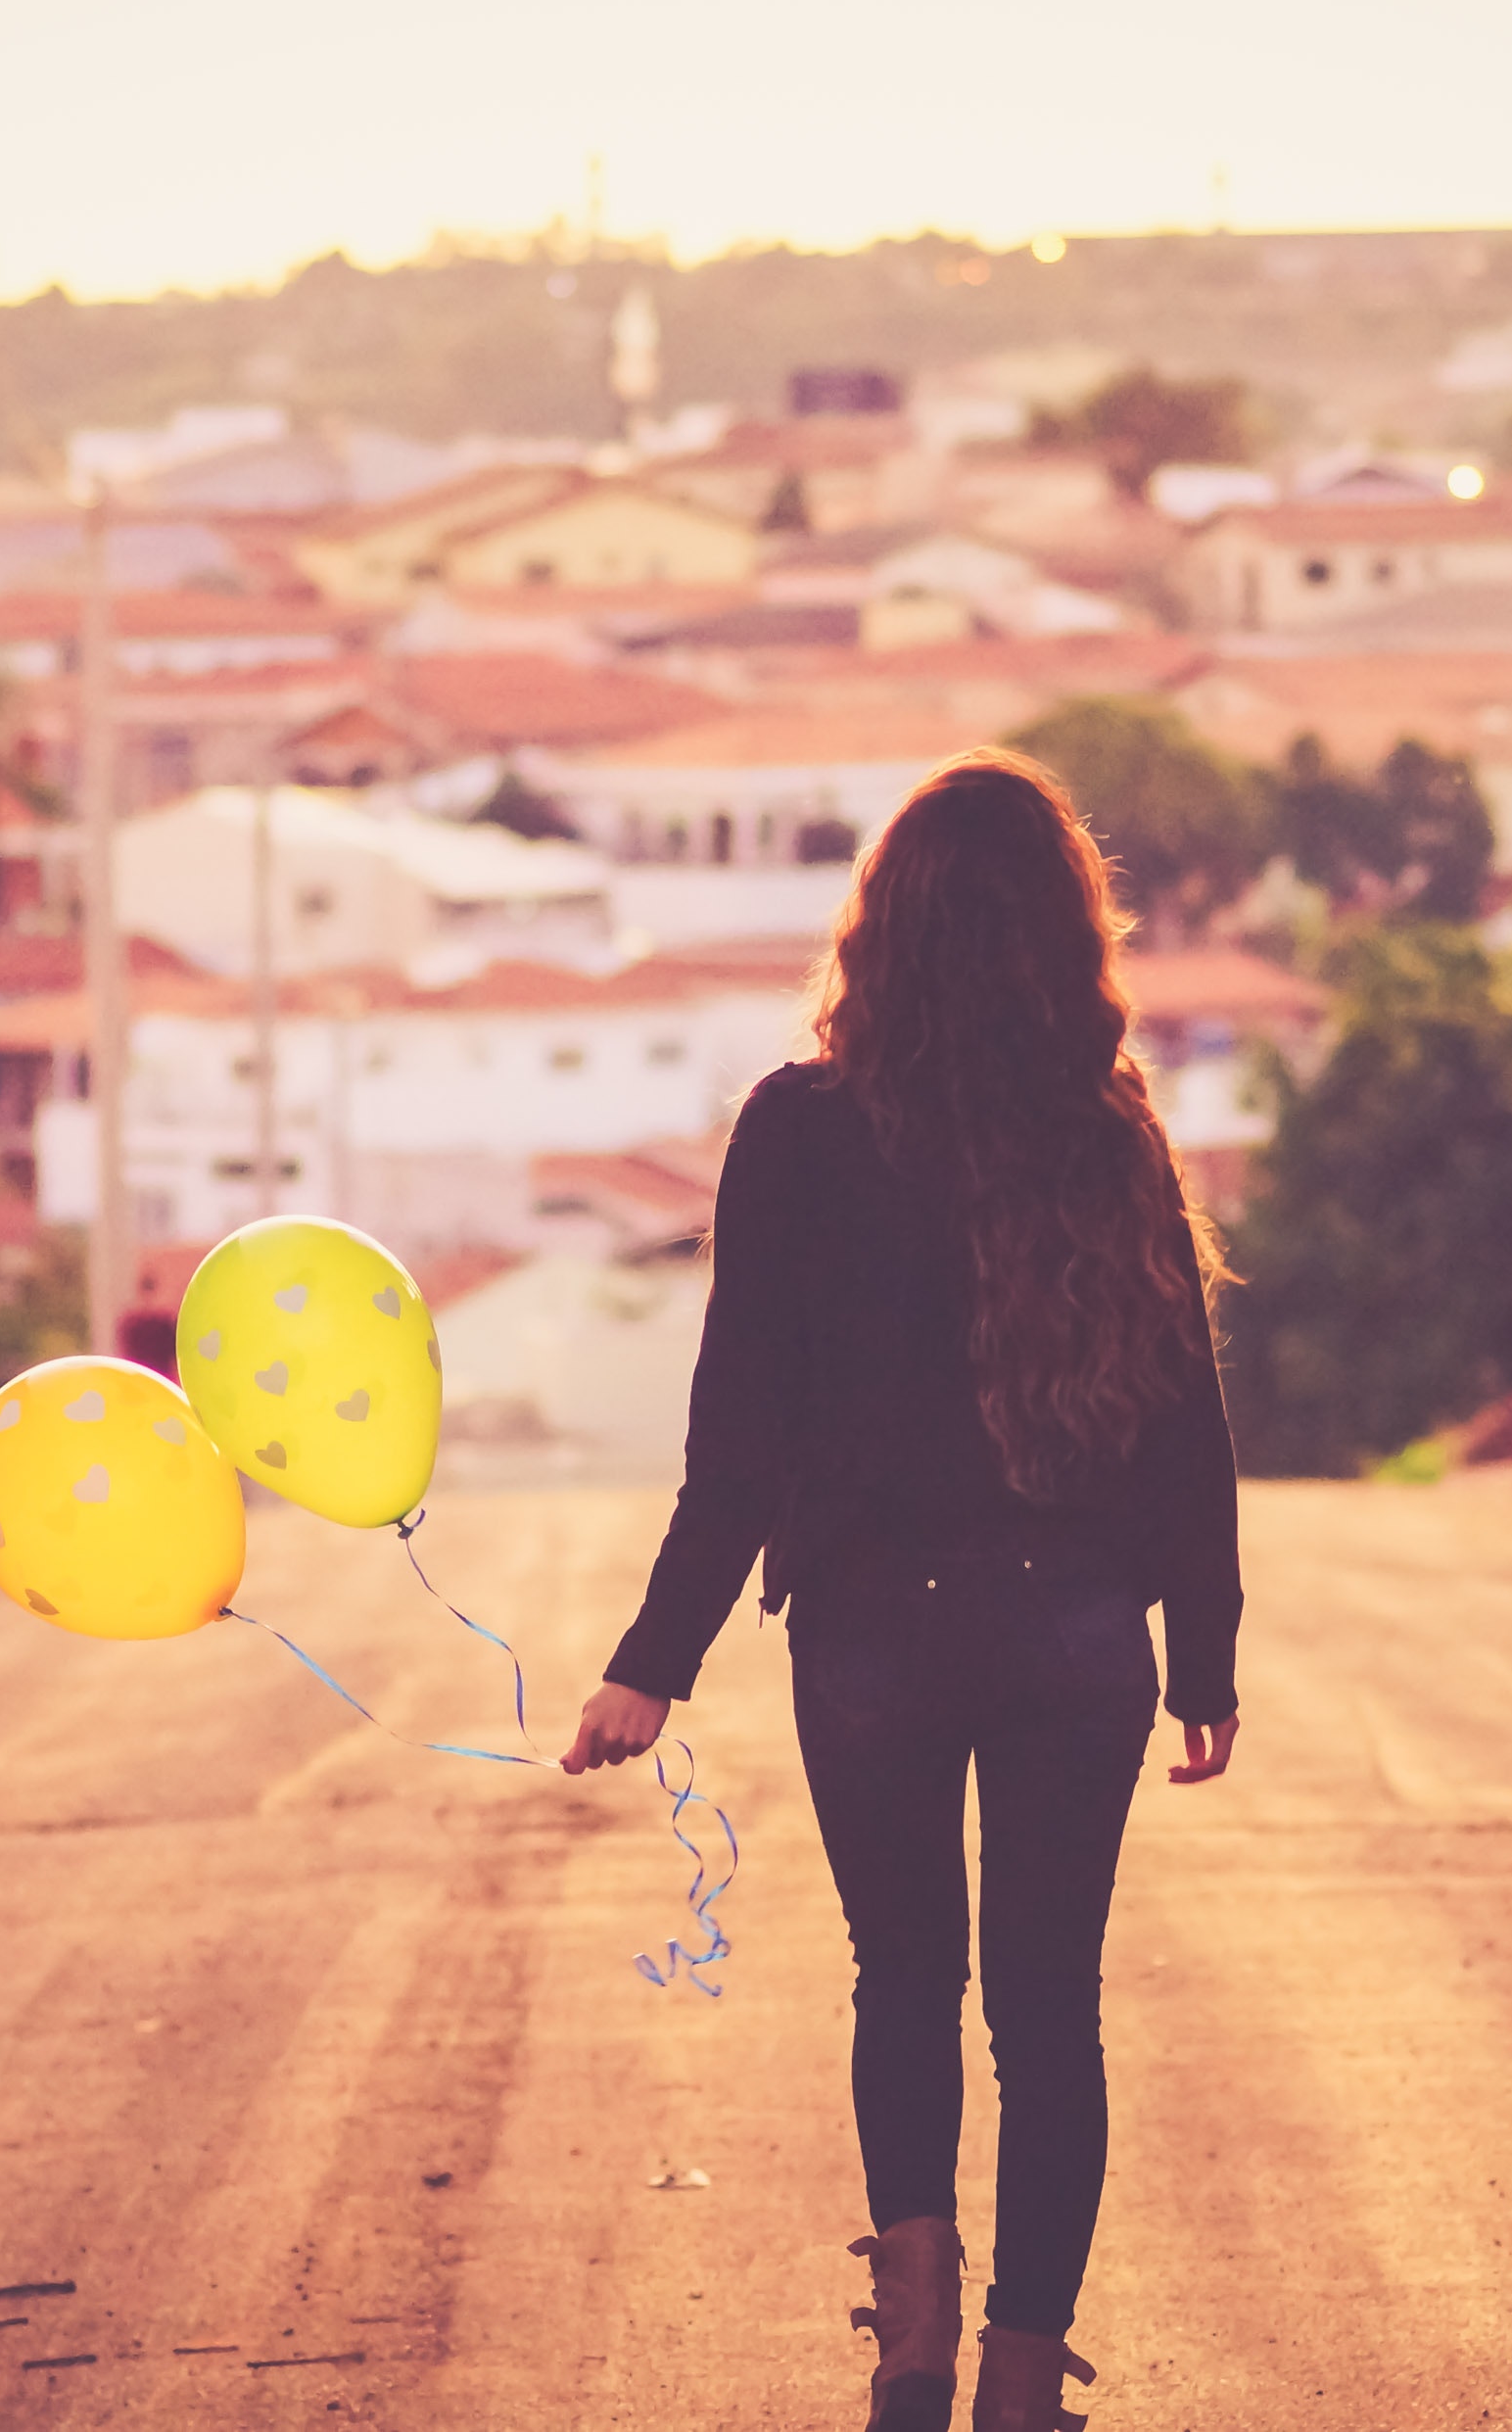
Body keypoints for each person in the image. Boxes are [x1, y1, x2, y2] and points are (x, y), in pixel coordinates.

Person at [562, 750, 1245, 2432]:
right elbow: (1184, 1418)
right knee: (1048, 2010)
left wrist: (654, 1662)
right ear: (1064, 932)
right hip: (1076, 1630)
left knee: (905, 1980)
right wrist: (1203, 1653)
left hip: (872, 1629)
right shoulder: (1108, 1131)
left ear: (886, 928)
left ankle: (912, 2363)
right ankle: (1021, 2384)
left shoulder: (799, 1131)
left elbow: (741, 1430)